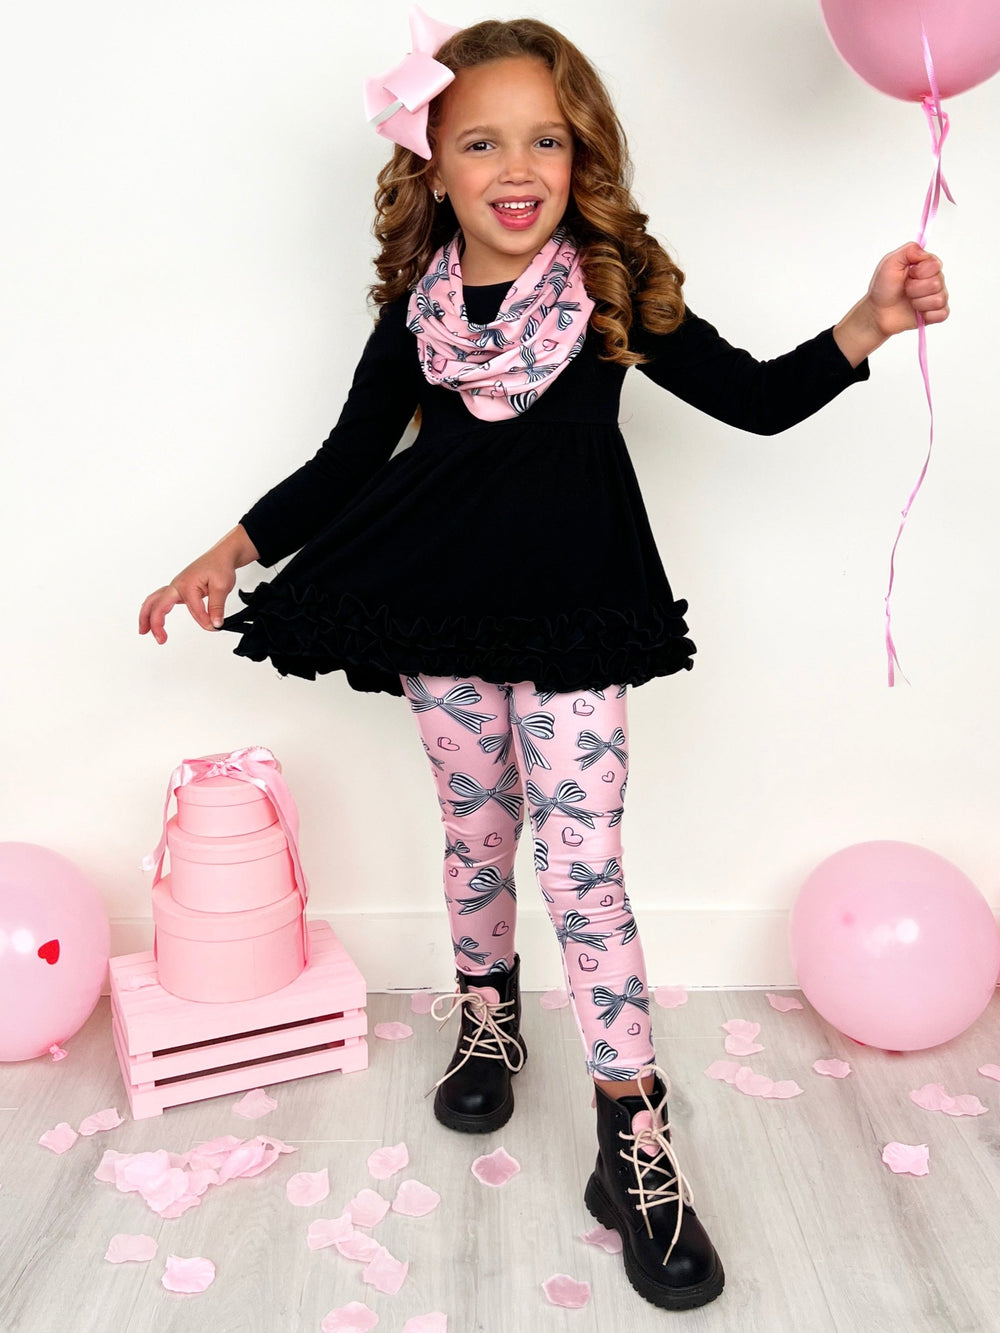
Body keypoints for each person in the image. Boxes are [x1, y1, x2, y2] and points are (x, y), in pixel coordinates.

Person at [139, 13, 949, 1313]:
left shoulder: (608, 288)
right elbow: (347, 461)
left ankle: (634, 1141)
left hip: (576, 618)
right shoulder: (416, 317)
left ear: (581, 157)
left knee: (583, 866)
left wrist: (867, 322)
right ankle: (489, 1019)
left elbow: (751, 398)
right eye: (481, 142)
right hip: (441, 617)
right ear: (432, 163)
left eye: (546, 141)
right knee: (477, 832)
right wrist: (229, 549)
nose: (516, 167)